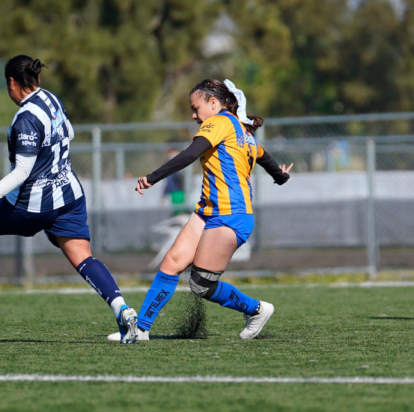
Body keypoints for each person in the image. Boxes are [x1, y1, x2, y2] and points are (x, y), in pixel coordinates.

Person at [0, 55, 140, 344]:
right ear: (38, 79)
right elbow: (70, 132)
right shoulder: (52, 100)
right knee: (83, 256)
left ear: (12, 83)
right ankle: (124, 312)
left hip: (34, 203)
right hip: (69, 195)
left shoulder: (26, 117)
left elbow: (23, 171)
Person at [108, 78, 292, 341]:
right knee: (171, 263)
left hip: (230, 216)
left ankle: (257, 310)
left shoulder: (219, 122)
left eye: (196, 108)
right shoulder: (243, 132)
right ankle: (140, 330)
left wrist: (152, 177)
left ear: (214, 103)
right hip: (207, 211)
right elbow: (264, 157)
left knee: (200, 285)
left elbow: (189, 154)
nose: (194, 115)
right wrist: (280, 176)